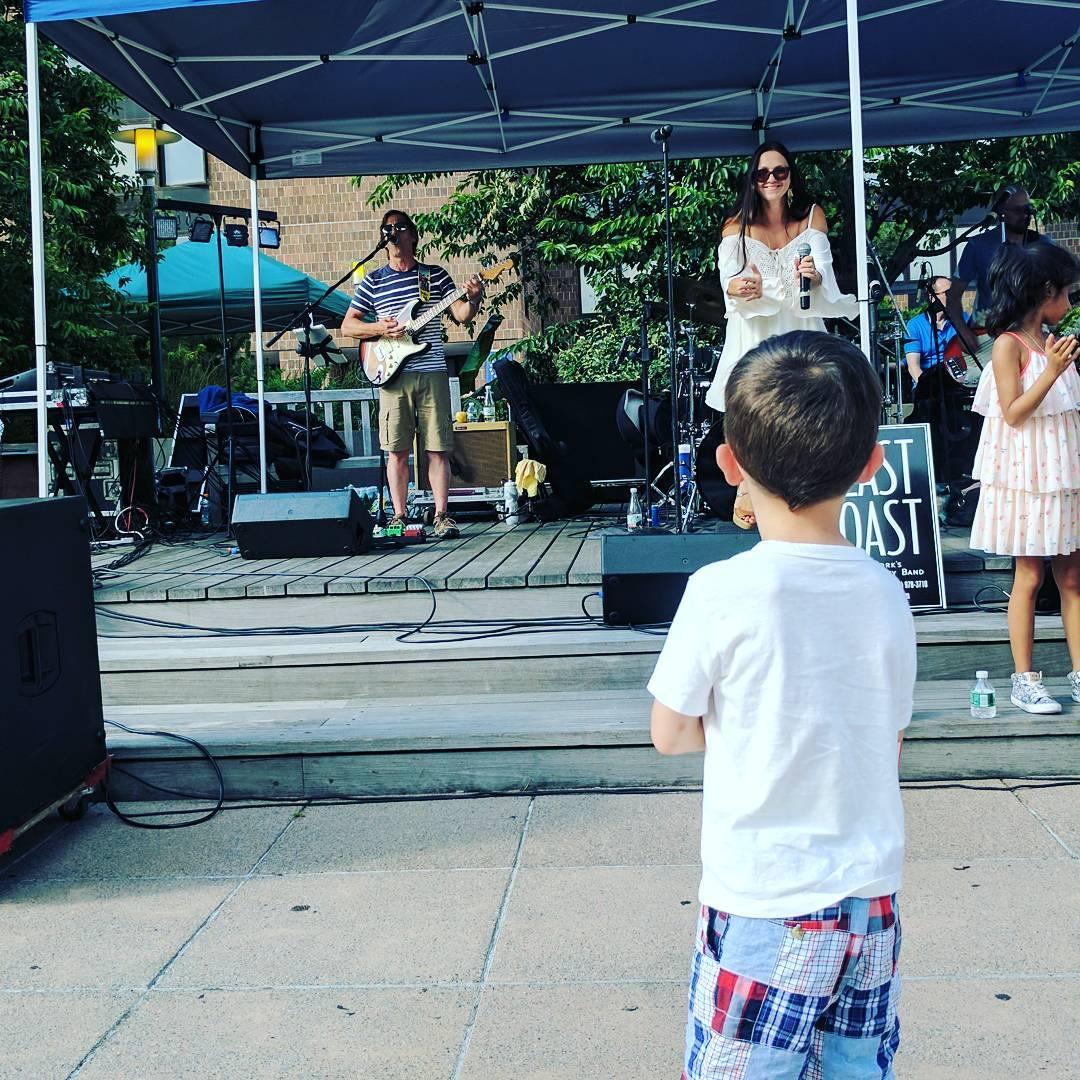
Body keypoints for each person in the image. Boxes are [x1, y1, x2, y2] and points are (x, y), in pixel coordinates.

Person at [651, 330, 914, 1079]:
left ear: (730, 462)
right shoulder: (885, 591)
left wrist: (745, 725)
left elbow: (668, 732)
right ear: (872, 463)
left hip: (764, 899)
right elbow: (886, 737)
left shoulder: (721, 593)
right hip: (870, 902)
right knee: (855, 1067)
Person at [705, 142, 857, 527]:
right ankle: (750, 488)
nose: (771, 179)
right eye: (762, 173)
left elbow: (825, 278)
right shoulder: (735, 225)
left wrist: (814, 277)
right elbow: (729, 283)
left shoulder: (810, 218)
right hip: (754, 329)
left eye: (780, 172)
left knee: (803, 411)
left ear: (791, 177)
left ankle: (801, 493)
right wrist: (740, 288)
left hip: (798, 325)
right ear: (752, 181)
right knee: (752, 410)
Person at [968, 243, 1080, 714]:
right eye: (1067, 293)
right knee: (1029, 575)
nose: (1071, 304)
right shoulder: (1009, 346)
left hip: (1063, 472)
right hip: (1029, 476)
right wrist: (1051, 372)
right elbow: (1013, 413)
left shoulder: (1052, 342)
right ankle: (1024, 679)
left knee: (1072, 575)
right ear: (1045, 291)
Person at [341, 209, 483, 539]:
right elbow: (348, 325)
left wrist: (473, 299)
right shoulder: (374, 280)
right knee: (397, 450)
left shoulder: (434, 276)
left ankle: (442, 515)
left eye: (400, 227)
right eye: (387, 229)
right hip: (392, 374)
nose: (393, 232)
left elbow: (460, 314)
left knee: (438, 448)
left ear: (414, 236)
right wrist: (379, 328)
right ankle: (399, 516)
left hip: (431, 370)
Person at [946, 184, 1053, 353]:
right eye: (1017, 210)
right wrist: (962, 330)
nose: (1025, 215)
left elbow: (1058, 289)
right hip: (986, 337)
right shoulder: (978, 245)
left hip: (1032, 336)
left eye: (1028, 209)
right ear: (1001, 211)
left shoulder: (1044, 245)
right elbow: (953, 295)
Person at [904, 275, 973, 387]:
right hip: (928, 386)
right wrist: (928, 388)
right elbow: (913, 367)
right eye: (947, 292)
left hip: (960, 382)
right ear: (932, 297)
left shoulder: (963, 318)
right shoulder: (914, 325)